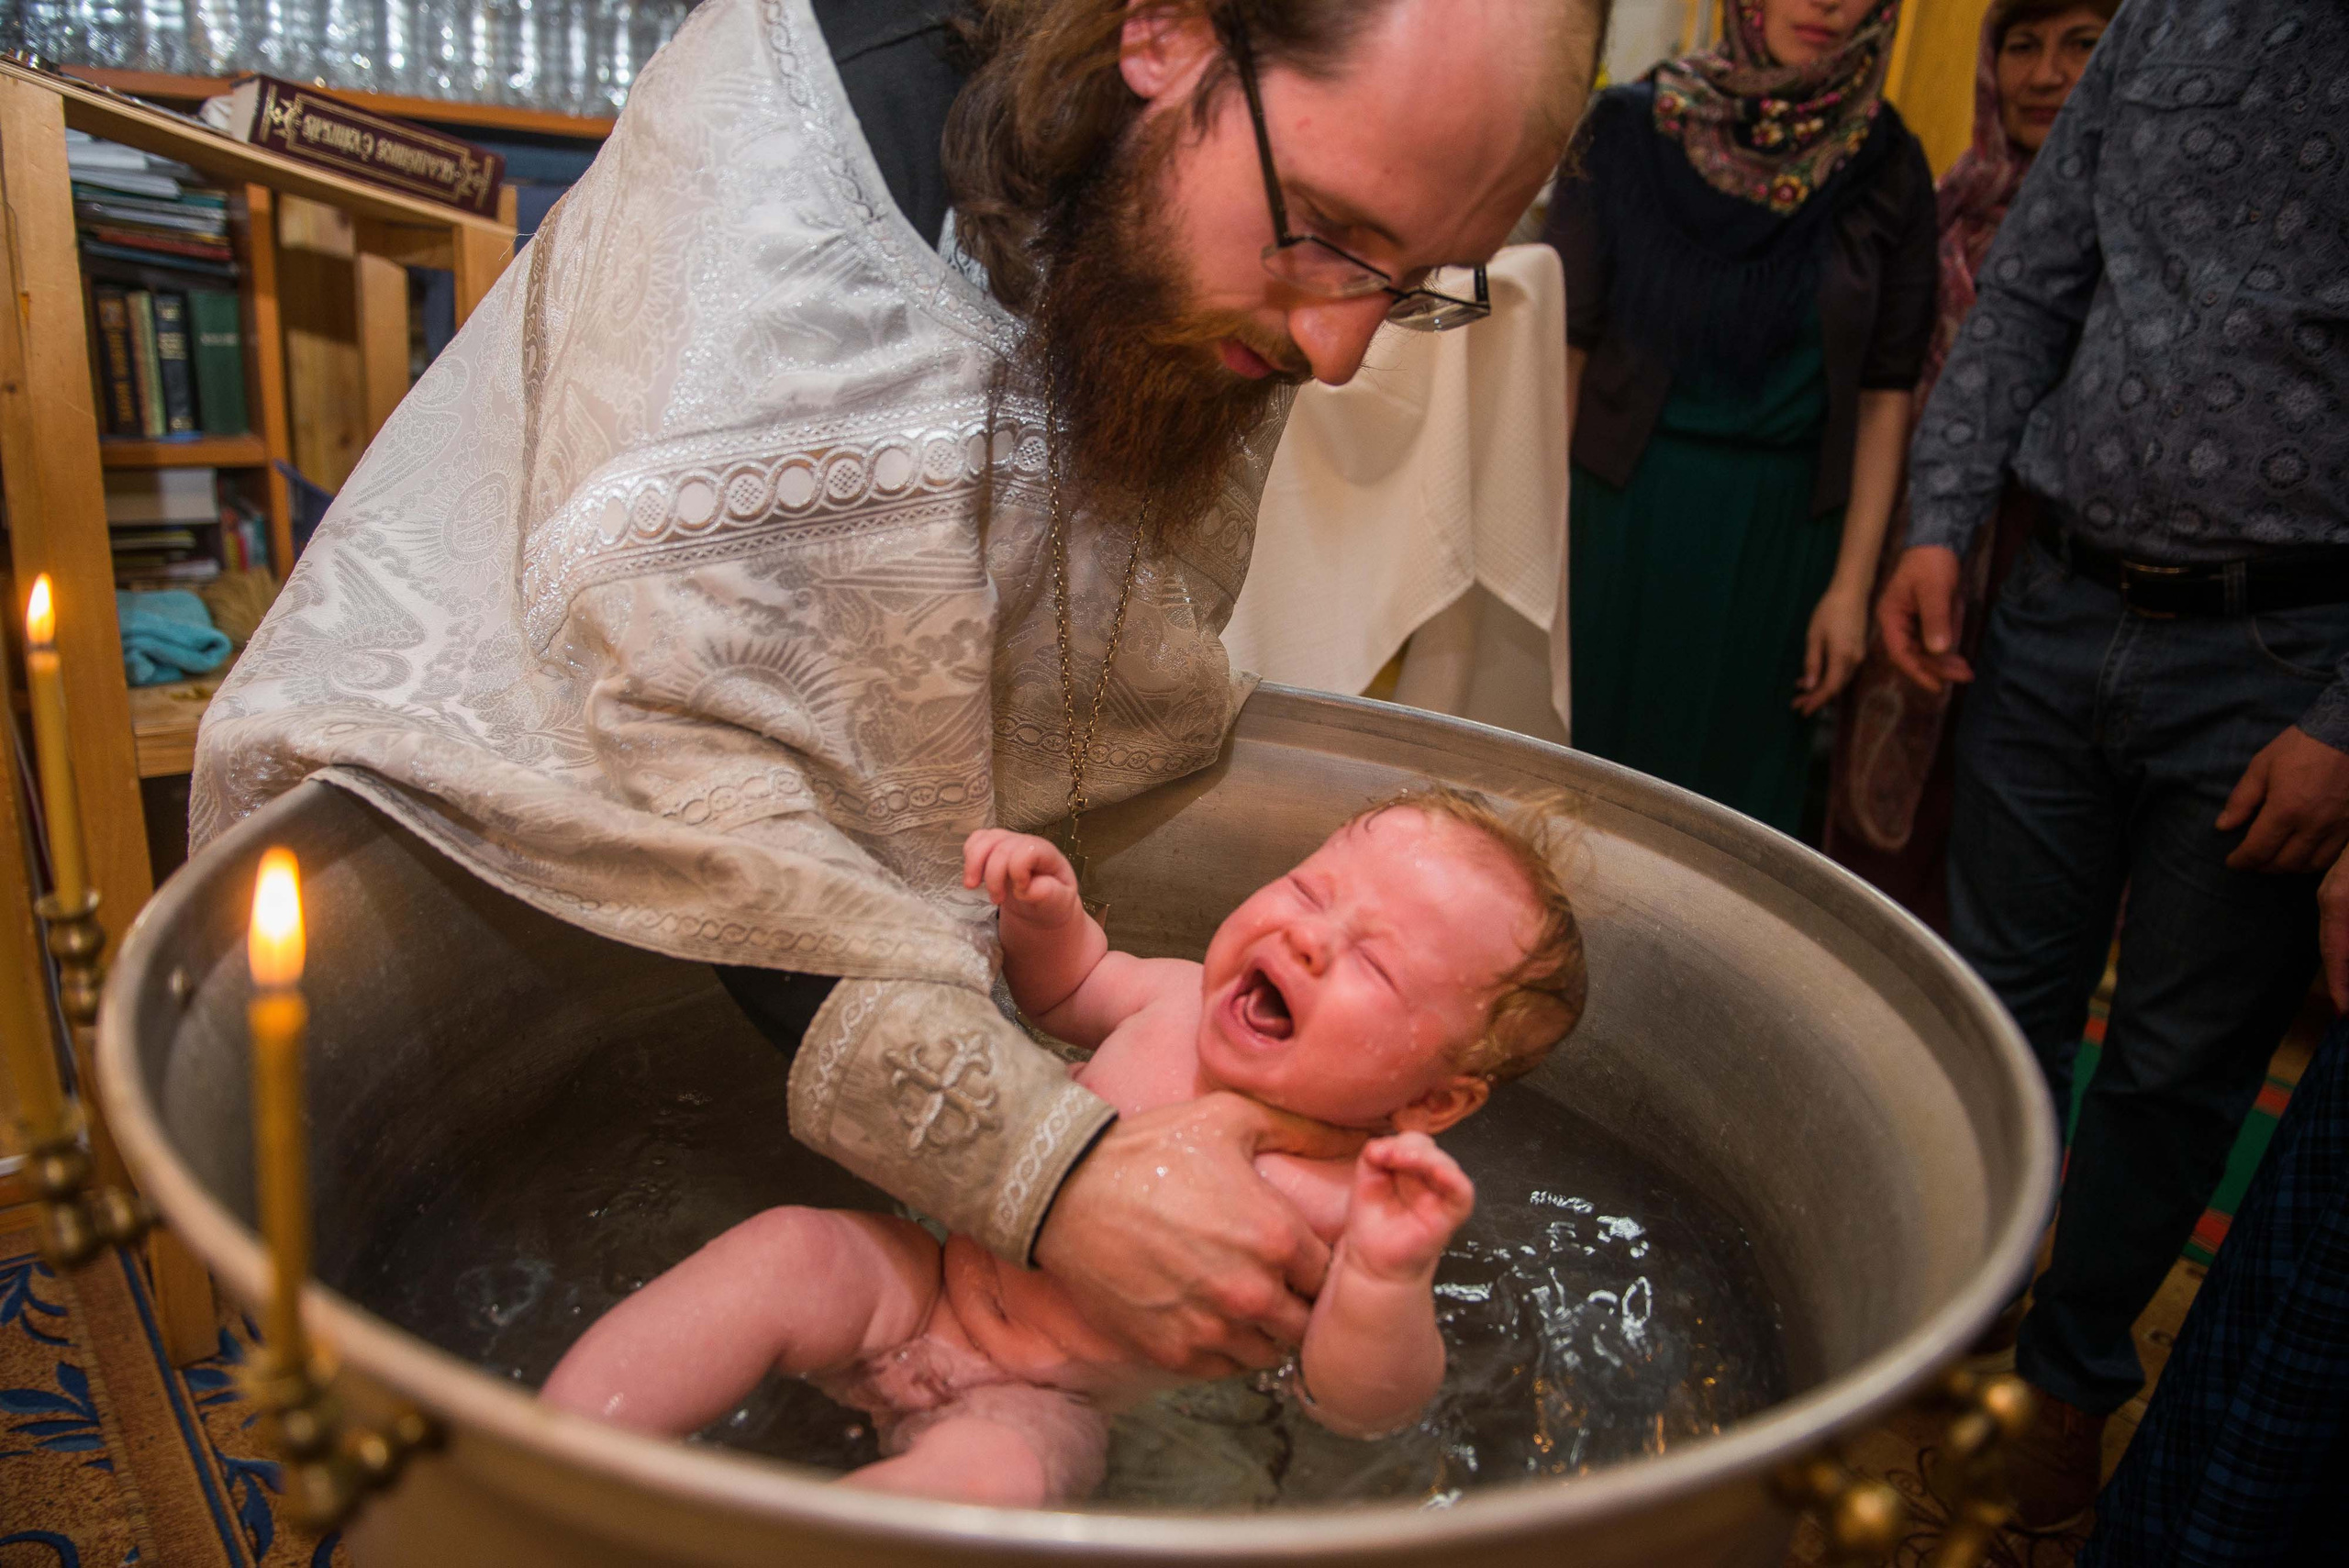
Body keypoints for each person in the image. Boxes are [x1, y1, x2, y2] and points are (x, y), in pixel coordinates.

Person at [190, 0, 1604, 1392]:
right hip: (537, 792)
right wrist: (1050, 1171)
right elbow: (690, 738)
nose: (1341, 352)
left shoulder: (1243, 184)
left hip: (1026, 1352)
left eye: (1412, 282)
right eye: (1336, 239)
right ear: (1166, 31)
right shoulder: (788, 156)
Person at [540, 789, 1587, 1506]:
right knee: (791, 1249)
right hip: (923, 1280)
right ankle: (558, 1456)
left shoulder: (1355, 1195)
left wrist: (1391, 1275)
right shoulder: (1177, 996)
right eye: (1310, 892)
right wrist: (1046, 916)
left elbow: (1363, 1405)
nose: (1309, 935)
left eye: (1378, 962)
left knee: (1003, 1480)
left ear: (1438, 1098)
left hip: (1045, 1395)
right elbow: (1073, 990)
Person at [1876, 0, 2349, 1528]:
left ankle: (2073, 1387)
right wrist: (1940, 514)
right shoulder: (2160, 25)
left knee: (2168, 1063)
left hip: (2277, 656)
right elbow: (2026, 293)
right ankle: (1962, 1340)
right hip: (2054, 603)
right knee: (1991, 1006)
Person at [1542, 0, 1936, 836]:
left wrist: (1849, 588)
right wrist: (1543, 541)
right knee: (1583, 792)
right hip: (1618, 514)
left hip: (1784, 540)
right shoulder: (1625, 131)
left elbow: (1884, 392)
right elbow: (1565, 346)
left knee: (1731, 818)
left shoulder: (1890, 163)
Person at [1824, 0, 2117, 929]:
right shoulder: (1948, 203)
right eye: (2022, 47)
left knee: (2003, 883)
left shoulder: (2138, 244)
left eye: (2081, 46)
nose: (2042, 75)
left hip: (2048, 584)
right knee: (1876, 856)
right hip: (1915, 556)